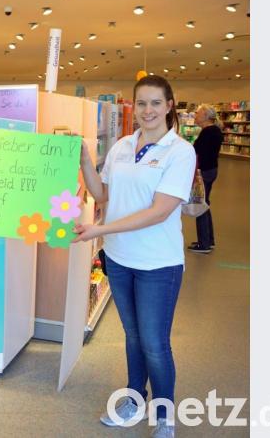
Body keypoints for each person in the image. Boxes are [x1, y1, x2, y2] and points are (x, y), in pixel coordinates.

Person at [73, 75, 196, 438]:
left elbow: (159, 212)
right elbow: (103, 195)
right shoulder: (123, 146)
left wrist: (100, 230)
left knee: (155, 343)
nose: (148, 110)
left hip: (158, 264)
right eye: (141, 103)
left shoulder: (179, 152)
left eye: (156, 103)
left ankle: (165, 415)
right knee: (133, 336)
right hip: (119, 258)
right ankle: (134, 398)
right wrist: (85, 161)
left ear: (169, 106)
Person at [187, 104, 223, 254]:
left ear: (205, 117)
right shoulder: (213, 131)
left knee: (200, 205)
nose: (195, 116)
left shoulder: (208, 132)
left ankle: (204, 244)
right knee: (205, 204)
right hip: (210, 170)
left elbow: (198, 152)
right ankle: (209, 240)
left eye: (198, 113)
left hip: (204, 172)